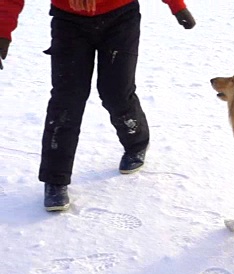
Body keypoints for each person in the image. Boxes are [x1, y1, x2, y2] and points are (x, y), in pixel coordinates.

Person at [0, 0, 196, 211]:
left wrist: (177, 5)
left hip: (120, 17)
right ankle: (55, 179)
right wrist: (2, 30)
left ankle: (136, 142)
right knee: (66, 100)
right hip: (69, 20)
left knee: (116, 91)